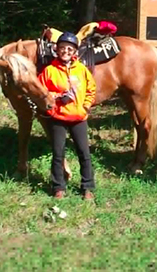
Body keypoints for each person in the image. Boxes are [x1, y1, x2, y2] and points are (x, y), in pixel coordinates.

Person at [38, 32, 97, 200]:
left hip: (79, 118)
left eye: (69, 49)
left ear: (74, 52)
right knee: (58, 154)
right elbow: (41, 93)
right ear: (57, 50)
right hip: (59, 118)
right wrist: (56, 98)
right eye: (62, 48)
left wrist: (85, 107)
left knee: (84, 153)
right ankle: (59, 187)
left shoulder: (82, 70)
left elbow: (91, 90)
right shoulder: (49, 71)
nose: (65, 51)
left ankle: (87, 187)